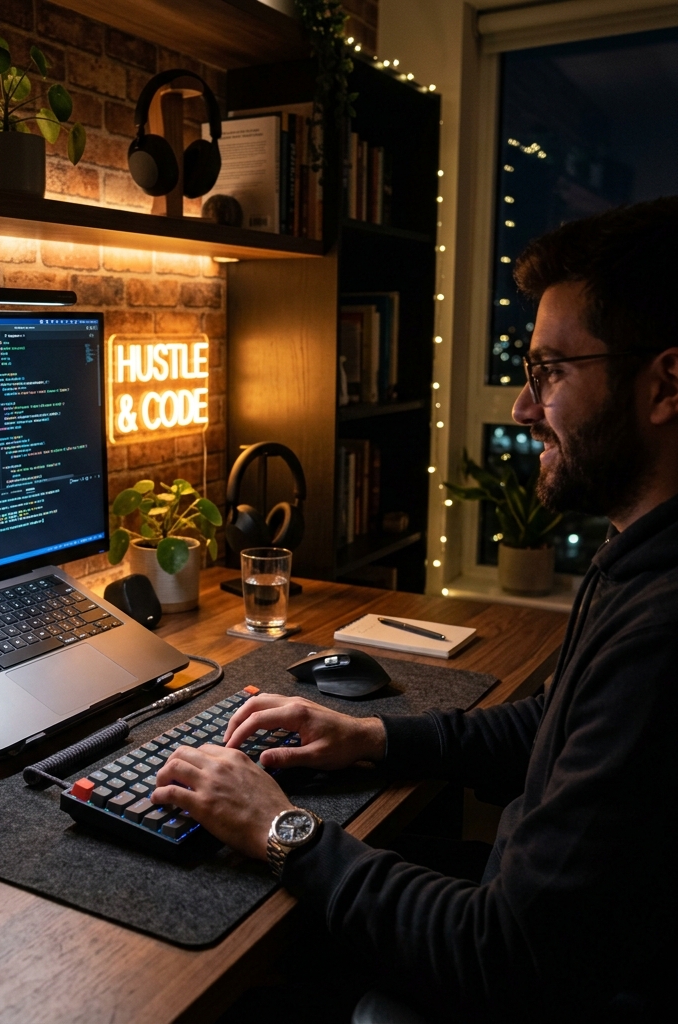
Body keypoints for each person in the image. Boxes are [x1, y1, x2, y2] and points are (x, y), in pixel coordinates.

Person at [152, 197, 678, 1023]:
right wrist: (376, 737)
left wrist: (279, 827)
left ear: (665, 385)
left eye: (549, 372)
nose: (523, 409)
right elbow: (557, 729)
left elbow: (500, 956)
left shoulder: (663, 630)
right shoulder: (644, 558)